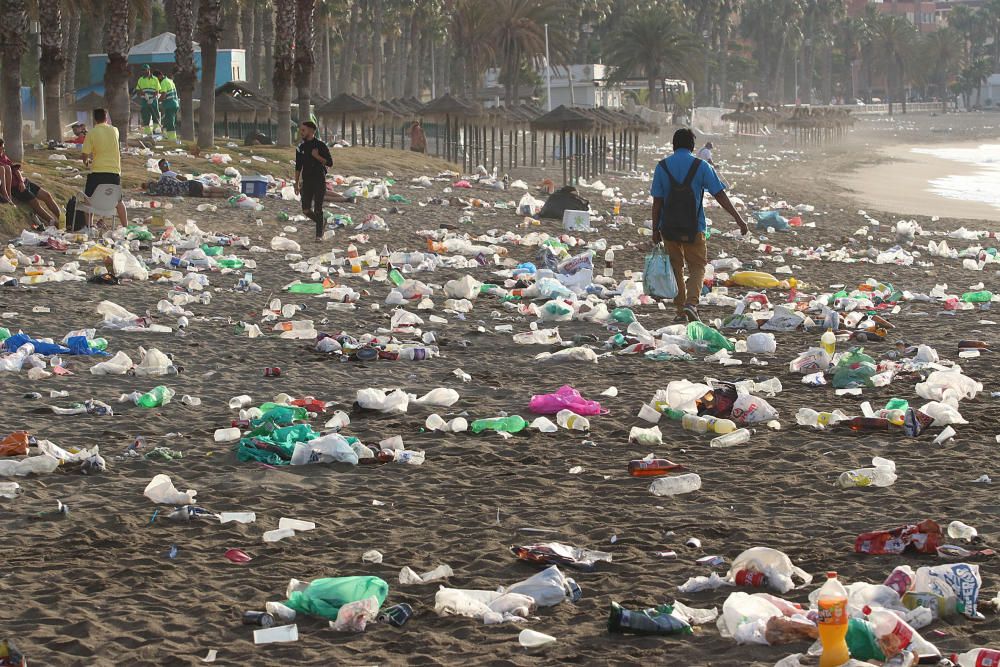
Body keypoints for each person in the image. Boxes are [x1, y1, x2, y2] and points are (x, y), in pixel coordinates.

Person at [651, 128, 748, 323]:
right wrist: (739, 219)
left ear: (673, 145)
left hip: (668, 228)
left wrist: (655, 229)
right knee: (697, 266)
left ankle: (680, 311)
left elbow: (657, 202)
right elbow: (719, 194)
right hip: (694, 227)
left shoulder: (662, 167)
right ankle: (691, 304)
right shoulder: (701, 166)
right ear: (692, 146)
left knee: (675, 267)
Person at [81, 107, 128, 228]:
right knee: (118, 202)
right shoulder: (115, 131)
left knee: (88, 200)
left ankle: (89, 227)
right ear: (106, 118)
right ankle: (126, 227)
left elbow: (85, 154)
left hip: (97, 172)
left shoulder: (91, 133)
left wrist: (86, 162)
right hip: (114, 172)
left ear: (94, 119)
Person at [0, 139, 61, 226]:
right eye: (2, 148)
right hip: (16, 188)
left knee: (47, 196)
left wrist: (21, 181)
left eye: (3, 148)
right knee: (35, 203)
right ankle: (54, 223)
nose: (3, 150)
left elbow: (15, 169)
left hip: (23, 182)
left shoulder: (3, 156)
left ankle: (63, 220)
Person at [294, 120, 333, 241]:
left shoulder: (320, 145)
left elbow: (330, 163)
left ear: (311, 131)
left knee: (318, 209)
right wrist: (296, 183)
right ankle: (321, 222)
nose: (301, 132)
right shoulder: (300, 147)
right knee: (305, 210)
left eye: (303, 130)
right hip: (307, 181)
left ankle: (318, 236)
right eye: (301, 130)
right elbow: (298, 166)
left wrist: (317, 157)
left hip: (319, 180)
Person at [144, 158, 237, 198]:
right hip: (188, 185)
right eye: (165, 164)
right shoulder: (168, 174)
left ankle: (226, 195)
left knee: (208, 195)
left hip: (187, 193)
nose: (167, 166)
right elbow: (184, 179)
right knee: (209, 188)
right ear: (161, 167)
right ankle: (226, 191)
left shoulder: (159, 188)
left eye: (167, 164)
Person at [134, 64, 162, 135]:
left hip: (153, 100)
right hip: (144, 100)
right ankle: (148, 133)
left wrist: (152, 98)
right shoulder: (141, 79)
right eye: (142, 70)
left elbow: (157, 90)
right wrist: (143, 95)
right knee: (145, 115)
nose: (143, 72)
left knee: (155, 115)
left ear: (148, 70)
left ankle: (156, 132)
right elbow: (138, 90)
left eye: (144, 70)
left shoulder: (155, 79)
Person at [156, 70, 180, 142]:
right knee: (167, 121)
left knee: (170, 122)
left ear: (160, 76)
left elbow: (163, 95)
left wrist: (157, 101)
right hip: (175, 104)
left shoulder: (163, 82)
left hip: (169, 105)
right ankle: (165, 136)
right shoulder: (170, 80)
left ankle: (172, 139)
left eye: (157, 78)